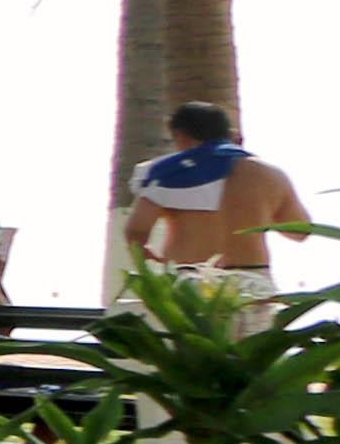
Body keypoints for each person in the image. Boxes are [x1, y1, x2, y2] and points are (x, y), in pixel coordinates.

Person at [122, 104, 310, 318]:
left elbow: (135, 232)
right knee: (250, 349)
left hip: (192, 282)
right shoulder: (271, 175)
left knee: (190, 351)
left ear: (180, 135)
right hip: (253, 280)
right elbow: (300, 232)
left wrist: (156, 264)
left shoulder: (169, 174)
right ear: (229, 133)